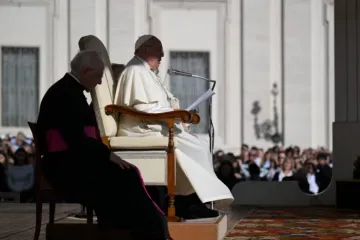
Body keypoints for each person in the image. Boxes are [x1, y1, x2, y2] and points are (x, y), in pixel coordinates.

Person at [37, 50, 172, 239]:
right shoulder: (66, 94)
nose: (100, 82)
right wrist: (108, 155)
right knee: (125, 176)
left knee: (127, 174)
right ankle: (144, 231)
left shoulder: (68, 90)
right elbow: (76, 139)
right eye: (98, 76)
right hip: (65, 167)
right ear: (85, 71)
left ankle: (140, 228)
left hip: (71, 160)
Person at [113, 34, 233, 220]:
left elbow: (156, 105)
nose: (161, 55)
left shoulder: (147, 72)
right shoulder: (136, 70)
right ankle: (190, 202)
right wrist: (174, 115)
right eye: (158, 50)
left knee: (198, 143)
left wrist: (176, 114)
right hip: (140, 129)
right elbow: (140, 107)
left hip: (152, 125)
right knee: (196, 146)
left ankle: (192, 201)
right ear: (145, 49)